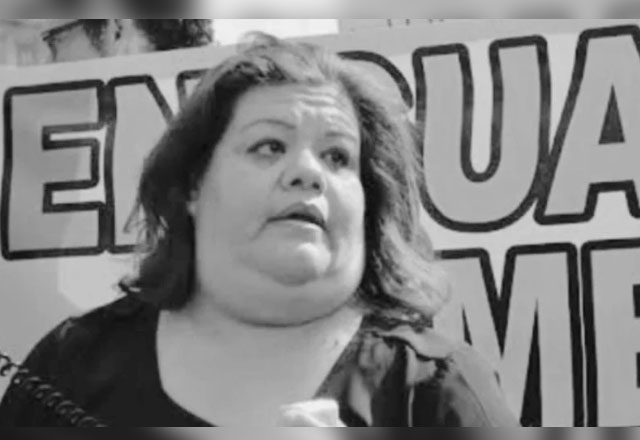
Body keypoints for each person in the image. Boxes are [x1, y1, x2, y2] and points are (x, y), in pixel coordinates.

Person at [0, 33, 518, 427]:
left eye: (338, 157)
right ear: (193, 185)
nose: (308, 173)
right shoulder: (72, 364)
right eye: (269, 146)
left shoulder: (438, 388)